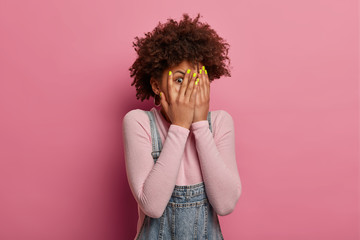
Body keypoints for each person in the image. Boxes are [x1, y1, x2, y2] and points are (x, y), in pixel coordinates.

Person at [122, 13, 242, 240]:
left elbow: (225, 204)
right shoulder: (138, 122)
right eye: (179, 80)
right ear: (157, 85)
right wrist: (179, 125)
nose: (189, 89)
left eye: (196, 79)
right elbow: (153, 206)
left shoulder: (219, 122)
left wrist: (199, 124)